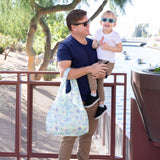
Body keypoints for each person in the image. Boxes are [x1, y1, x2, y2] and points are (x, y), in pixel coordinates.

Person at [56, 9, 107, 160]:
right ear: (74, 26)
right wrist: (90, 69)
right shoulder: (65, 45)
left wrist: (102, 73)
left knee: (87, 136)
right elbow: (64, 73)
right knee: (69, 138)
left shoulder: (92, 44)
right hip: (75, 100)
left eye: (88, 22)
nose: (88, 25)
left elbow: (102, 68)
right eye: (85, 23)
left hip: (94, 100)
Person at [84, 10, 123, 119]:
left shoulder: (115, 35)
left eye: (110, 20)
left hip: (108, 62)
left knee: (91, 73)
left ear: (114, 24)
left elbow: (120, 49)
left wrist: (108, 48)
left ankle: (93, 95)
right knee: (100, 82)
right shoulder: (98, 32)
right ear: (101, 22)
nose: (107, 22)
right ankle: (101, 105)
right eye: (104, 19)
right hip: (99, 60)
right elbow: (93, 45)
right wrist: (98, 43)